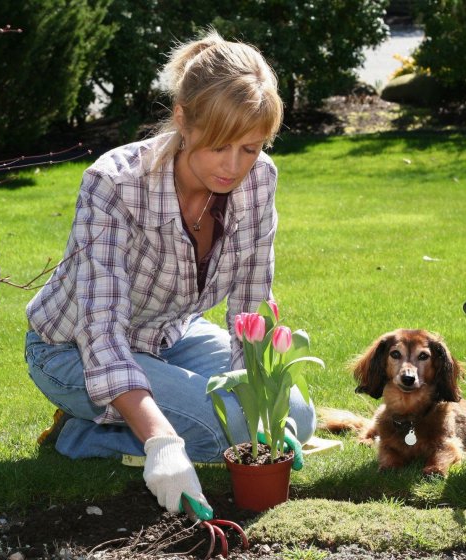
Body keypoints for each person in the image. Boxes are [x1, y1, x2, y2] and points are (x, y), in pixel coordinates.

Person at [24, 29, 316, 516]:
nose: (235, 166)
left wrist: (261, 400)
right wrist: (161, 442)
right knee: (226, 429)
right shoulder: (114, 183)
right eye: (221, 146)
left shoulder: (259, 178)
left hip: (168, 333)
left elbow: (250, 299)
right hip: (73, 350)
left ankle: (104, 425)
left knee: (294, 415)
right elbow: (101, 332)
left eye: (250, 147)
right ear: (183, 119)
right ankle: (90, 432)